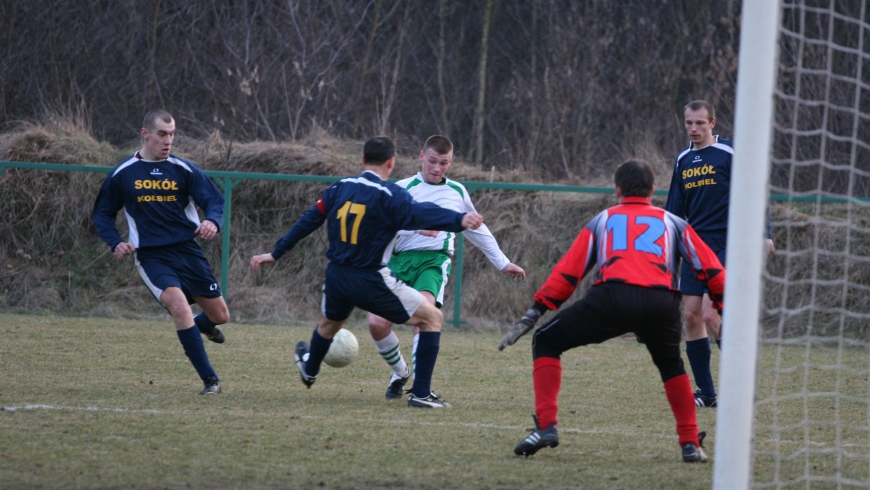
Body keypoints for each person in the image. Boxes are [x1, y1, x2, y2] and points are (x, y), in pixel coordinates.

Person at [499, 159, 726, 463]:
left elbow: (570, 271)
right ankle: (689, 443)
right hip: (661, 303)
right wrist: (725, 306)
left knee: (546, 341)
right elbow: (711, 268)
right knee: (671, 365)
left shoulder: (603, 220)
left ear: (616, 189)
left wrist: (537, 309)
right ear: (653, 190)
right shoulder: (674, 222)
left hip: (613, 297)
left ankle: (547, 426)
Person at [250, 136, 484, 408]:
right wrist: (458, 219)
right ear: (391, 163)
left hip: (336, 276)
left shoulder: (340, 187)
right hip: (371, 278)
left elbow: (309, 219)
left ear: (362, 160)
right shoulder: (390, 195)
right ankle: (420, 394)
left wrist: (276, 252)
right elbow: (422, 213)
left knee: (329, 324)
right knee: (432, 318)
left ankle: (310, 367)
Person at [367, 135, 526, 400]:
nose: (437, 168)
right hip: (399, 261)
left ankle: (420, 390)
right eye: (432, 161)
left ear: (450, 162)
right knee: (376, 323)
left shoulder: (457, 192)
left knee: (424, 315)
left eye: (443, 163)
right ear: (421, 157)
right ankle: (401, 371)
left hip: (433, 260)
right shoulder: (402, 188)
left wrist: (502, 262)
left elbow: (476, 228)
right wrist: (413, 229)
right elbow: (383, 225)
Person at [92, 109, 229, 395]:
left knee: (221, 315)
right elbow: (103, 214)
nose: (168, 141)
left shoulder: (185, 169)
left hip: (188, 251)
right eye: (162, 134)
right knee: (180, 307)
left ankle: (198, 330)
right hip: (152, 256)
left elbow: (214, 201)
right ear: (145, 134)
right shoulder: (124, 173)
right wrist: (115, 241)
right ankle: (210, 380)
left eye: (172, 134)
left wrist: (211, 221)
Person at [664, 100, 774, 408]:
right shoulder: (683, 159)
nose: (694, 129)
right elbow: (674, 209)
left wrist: (764, 233)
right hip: (693, 245)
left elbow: (756, 191)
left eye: (700, 123)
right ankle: (707, 393)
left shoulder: (730, 153)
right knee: (691, 316)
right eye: (689, 123)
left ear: (712, 123)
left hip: (728, 243)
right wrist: (667, 248)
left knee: (713, 315)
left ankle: (742, 384)